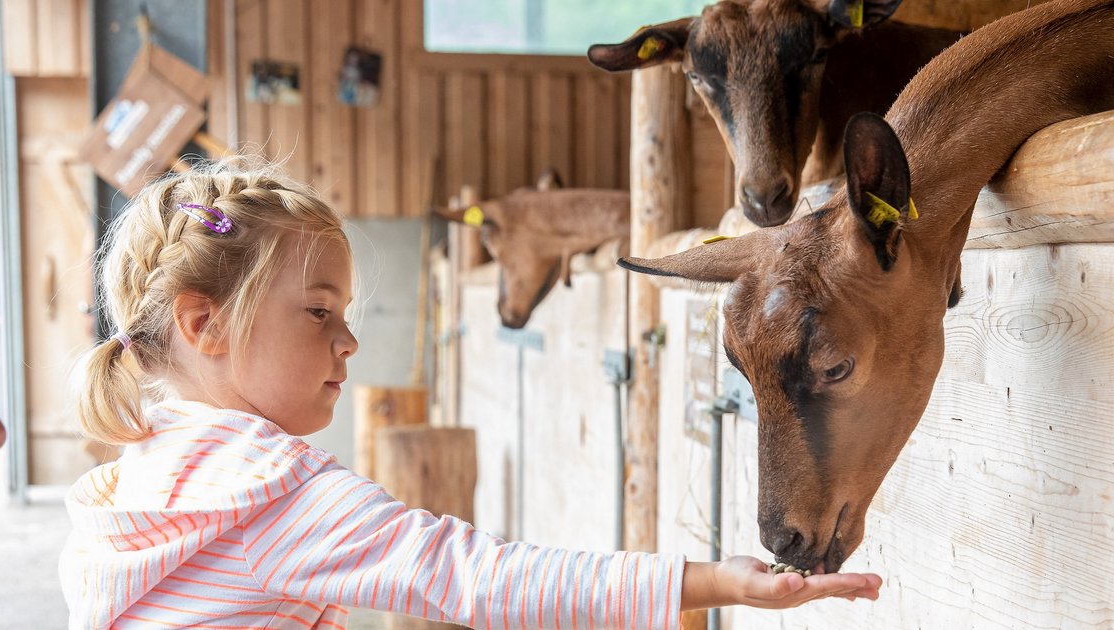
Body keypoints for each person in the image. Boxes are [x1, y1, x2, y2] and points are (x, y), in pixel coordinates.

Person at [59, 158, 882, 629]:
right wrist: (713, 582)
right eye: (318, 313)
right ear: (205, 325)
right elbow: (476, 577)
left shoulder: (138, 481)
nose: (348, 342)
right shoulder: (266, 491)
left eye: (344, 314)